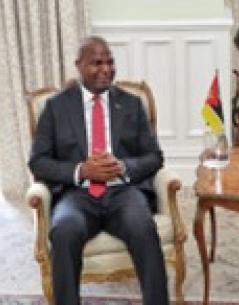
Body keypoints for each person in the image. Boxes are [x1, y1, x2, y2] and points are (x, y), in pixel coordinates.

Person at [28, 36, 169, 305]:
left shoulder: (131, 104)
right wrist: (81, 170)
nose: (106, 69)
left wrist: (124, 167)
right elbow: (38, 162)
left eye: (110, 61)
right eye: (97, 63)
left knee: (144, 228)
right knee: (64, 230)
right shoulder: (56, 107)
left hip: (123, 192)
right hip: (76, 195)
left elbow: (154, 157)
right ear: (79, 65)